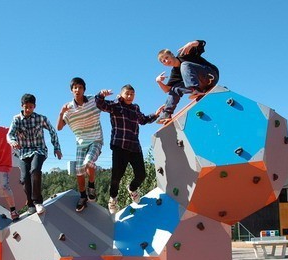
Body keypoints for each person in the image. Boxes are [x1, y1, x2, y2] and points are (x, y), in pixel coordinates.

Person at [95, 84, 163, 214]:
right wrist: (101, 94)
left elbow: (143, 120)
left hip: (134, 146)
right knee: (117, 176)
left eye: (132, 94)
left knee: (141, 175)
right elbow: (100, 104)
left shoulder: (135, 108)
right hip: (119, 145)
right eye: (127, 94)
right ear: (121, 94)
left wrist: (156, 114)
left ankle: (132, 189)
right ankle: (113, 198)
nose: (130, 96)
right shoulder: (115, 105)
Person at [7, 93, 62, 215]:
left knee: (35, 170)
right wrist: (13, 142)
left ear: (34, 107)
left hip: (39, 149)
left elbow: (53, 131)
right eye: (26, 107)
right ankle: (30, 204)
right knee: (25, 177)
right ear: (22, 106)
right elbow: (10, 134)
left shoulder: (40, 118)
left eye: (31, 107)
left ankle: (37, 201)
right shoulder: (16, 120)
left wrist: (57, 148)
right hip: (23, 152)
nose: (28, 110)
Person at [57, 77, 103, 212]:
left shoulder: (93, 100)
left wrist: (105, 95)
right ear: (72, 90)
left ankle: (92, 186)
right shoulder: (69, 108)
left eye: (80, 87)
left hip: (96, 139)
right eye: (75, 87)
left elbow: (105, 104)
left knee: (89, 162)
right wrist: (61, 113)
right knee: (79, 171)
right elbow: (59, 127)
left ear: (84, 89)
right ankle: (83, 197)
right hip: (81, 143)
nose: (78, 90)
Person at [155, 40, 219, 123]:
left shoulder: (185, 54)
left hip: (210, 76)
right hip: (202, 87)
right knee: (175, 88)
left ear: (172, 55)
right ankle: (167, 113)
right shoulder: (174, 73)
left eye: (166, 57)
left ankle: (195, 90)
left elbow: (202, 44)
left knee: (184, 65)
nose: (166, 61)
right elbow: (167, 90)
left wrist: (192, 43)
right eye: (163, 61)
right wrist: (159, 82)